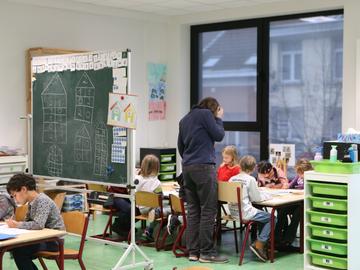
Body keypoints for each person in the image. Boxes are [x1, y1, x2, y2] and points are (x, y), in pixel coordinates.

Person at [178, 97, 228, 264]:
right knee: (208, 210)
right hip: (204, 167)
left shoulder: (185, 119)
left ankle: (193, 252)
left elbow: (181, 147)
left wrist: (190, 160)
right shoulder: (207, 114)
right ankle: (206, 253)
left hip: (187, 168)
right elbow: (219, 135)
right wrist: (219, 118)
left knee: (193, 211)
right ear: (213, 109)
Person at [6, 173, 65, 270]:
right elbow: (29, 222)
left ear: (24, 189)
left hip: (54, 241)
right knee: (15, 248)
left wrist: (18, 225)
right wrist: (17, 224)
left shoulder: (42, 200)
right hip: (41, 238)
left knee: (20, 251)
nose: (15, 199)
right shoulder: (33, 202)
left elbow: (38, 225)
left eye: (14, 195)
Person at [228, 155, 274, 262]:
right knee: (271, 218)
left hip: (234, 213)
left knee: (264, 217)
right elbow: (256, 198)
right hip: (246, 213)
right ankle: (259, 244)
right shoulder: (250, 179)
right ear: (254, 168)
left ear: (240, 166)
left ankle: (261, 243)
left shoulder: (232, 179)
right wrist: (268, 195)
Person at [276, 158, 313, 250]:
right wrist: (284, 187)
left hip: (305, 204)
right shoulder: (298, 177)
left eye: (301, 173)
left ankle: (288, 240)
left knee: (296, 216)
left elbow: (309, 191)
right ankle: (276, 238)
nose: (299, 175)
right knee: (282, 210)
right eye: (298, 172)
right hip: (295, 201)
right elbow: (289, 186)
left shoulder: (311, 177)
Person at [135, 154, 168, 241]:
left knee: (158, 207)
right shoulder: (156, 182)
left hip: (140, 208)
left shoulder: (138, 179)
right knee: (168, 207)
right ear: (156, 168)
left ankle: (150, 228)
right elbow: (161, 197)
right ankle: (150, 228)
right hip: (150, 208)